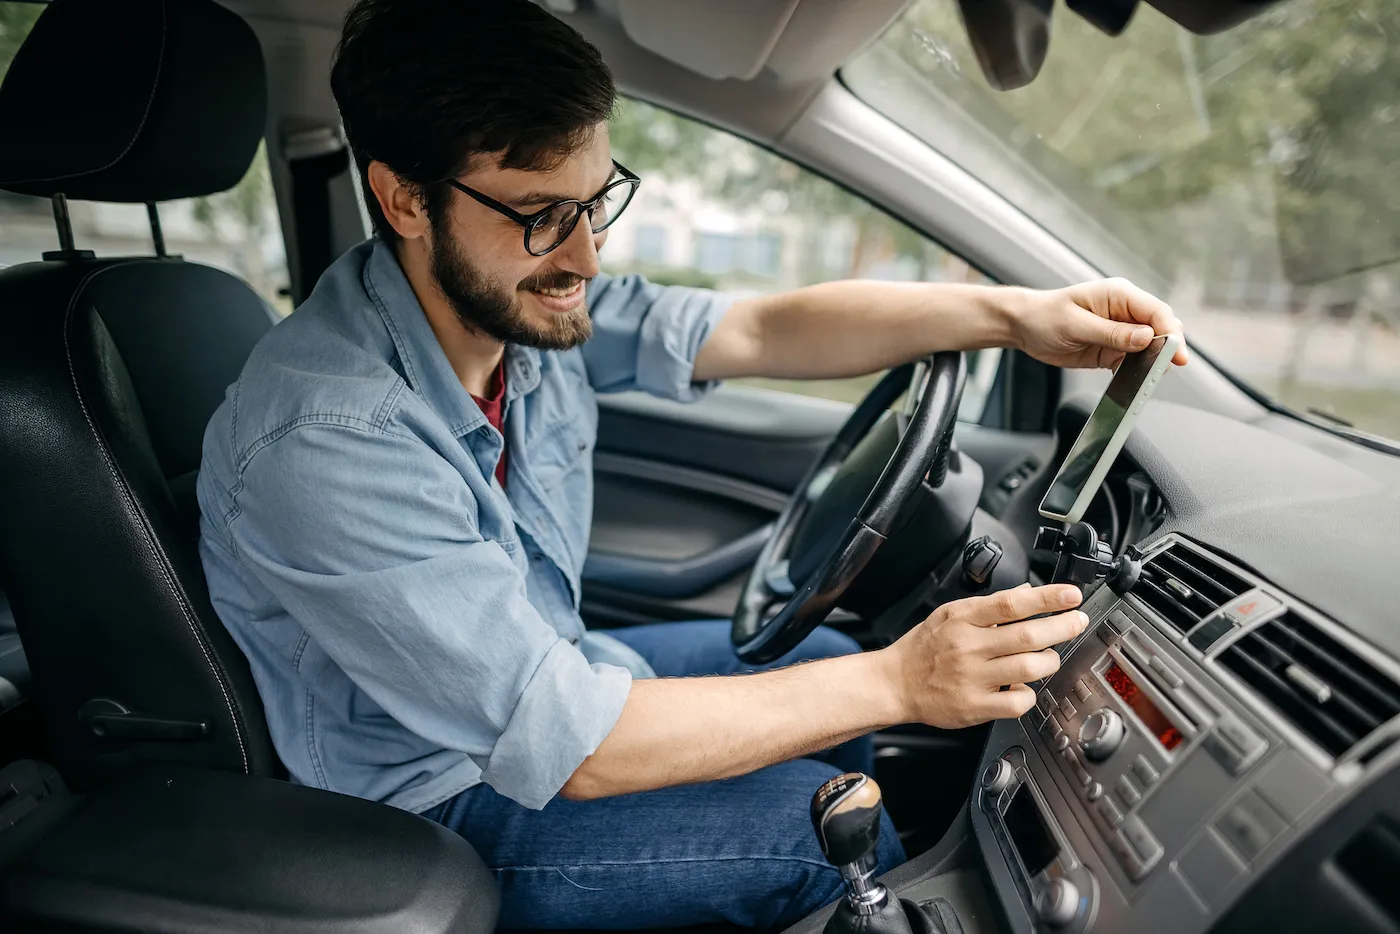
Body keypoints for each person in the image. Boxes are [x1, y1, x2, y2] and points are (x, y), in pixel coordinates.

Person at [195, 0, 1188, 928]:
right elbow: (570, 742)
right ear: (403, 199)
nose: (583, 257)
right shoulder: (326, 437)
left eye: (598, 201)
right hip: (436, 800)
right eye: (542, 214)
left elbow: (758, 328)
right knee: (823, 832)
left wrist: (1017, 314)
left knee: (828, 677)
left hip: (555, 674)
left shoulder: (524, 310)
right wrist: (906, 679)